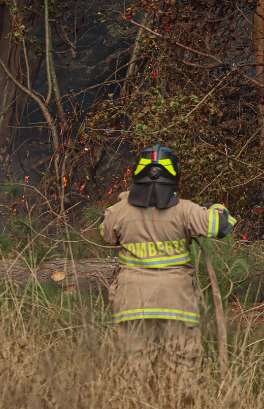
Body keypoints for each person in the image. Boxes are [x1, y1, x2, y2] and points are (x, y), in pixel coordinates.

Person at [99, 143, 237, 390]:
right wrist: (215, 208)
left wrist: (122, 202)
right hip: (177, 305)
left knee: (134, 376)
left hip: (133, 305)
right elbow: (222, 225)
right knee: (182, 375)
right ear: (175, 176)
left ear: (137, 173)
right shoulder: (186, 210)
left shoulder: (120, 211)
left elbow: (105, 231)